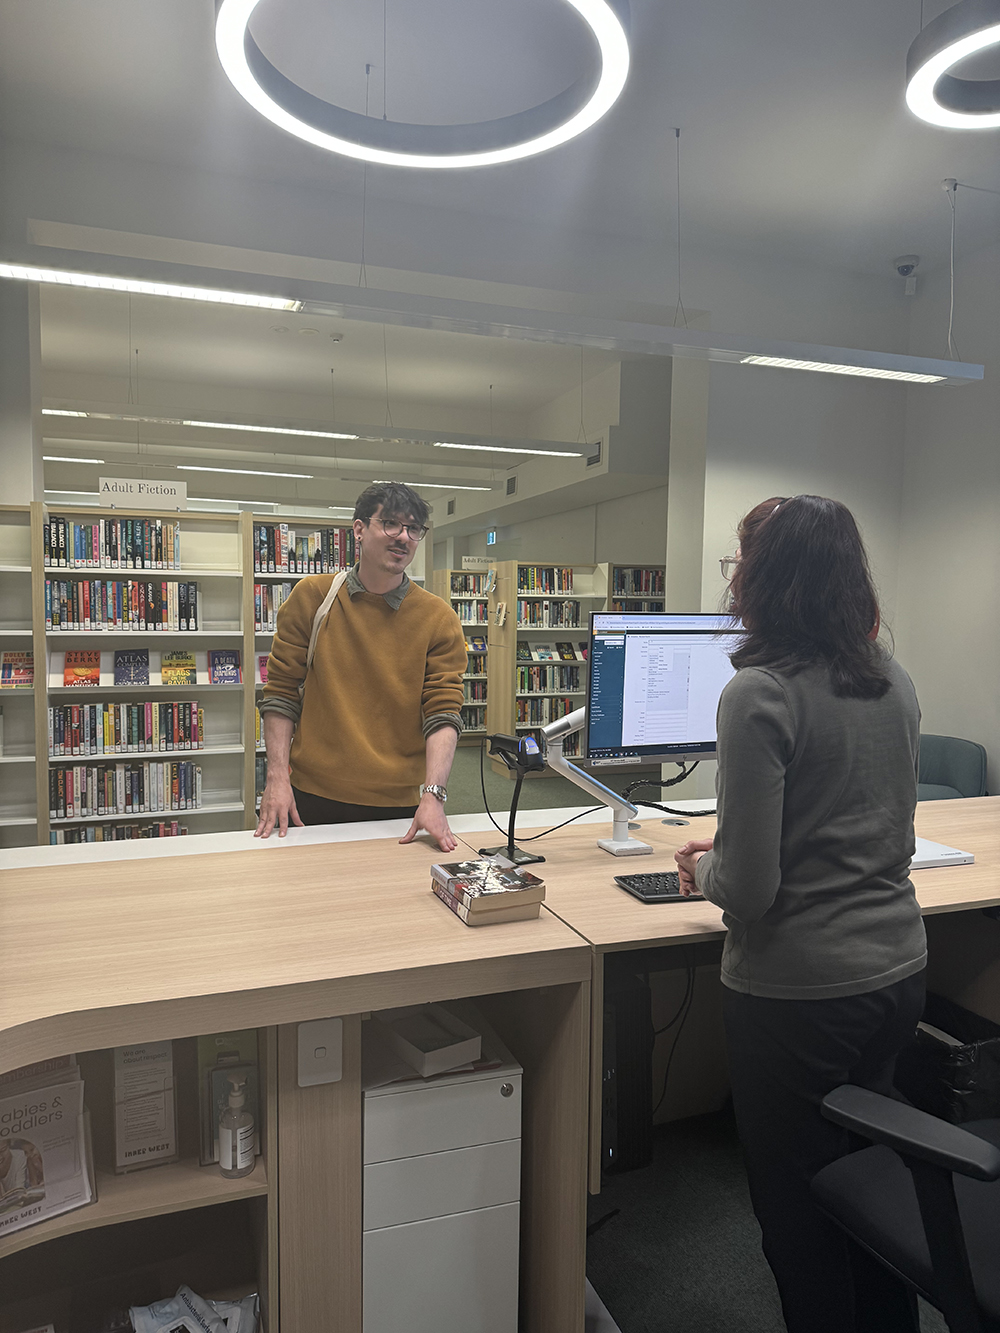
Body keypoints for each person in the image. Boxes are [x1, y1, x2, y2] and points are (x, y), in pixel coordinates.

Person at [674, 495, 926, 1333]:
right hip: (897, 976)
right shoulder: (894, 679)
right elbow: (869, 818)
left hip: (797, 997)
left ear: (763, 579)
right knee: (869, 1187)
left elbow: (747, 889)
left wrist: (704, 864)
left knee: (797, 1214)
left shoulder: (759, 693)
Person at [256, 481, 467, 851]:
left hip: (397, 804)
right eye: (391, 524)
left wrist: (434, 795)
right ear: (359, 529)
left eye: (413, 528)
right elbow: (280, 693)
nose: (403, 537)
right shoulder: (312, 597)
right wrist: (276, 777)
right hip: (309, 797)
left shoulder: (438, 618)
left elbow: (443, 712)